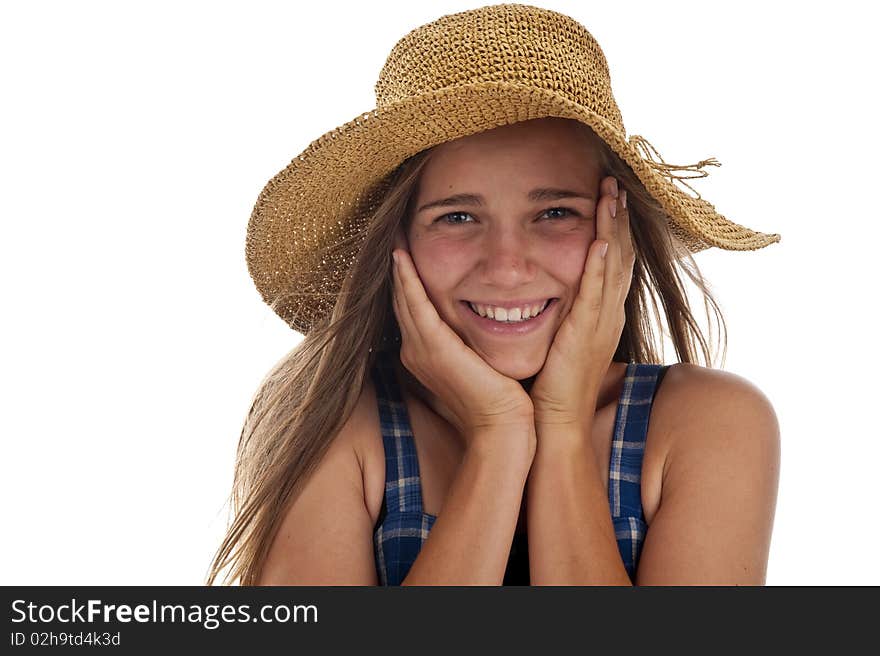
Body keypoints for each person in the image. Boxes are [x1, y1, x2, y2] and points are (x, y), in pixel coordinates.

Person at [206, 3, 782, 586]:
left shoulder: (707, 424)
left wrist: (561, 426)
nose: (507, 268)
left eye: (556, 212)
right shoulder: (327, 418)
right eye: (456, 217)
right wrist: (498, 438)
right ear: (396, 239)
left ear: (619, 230)